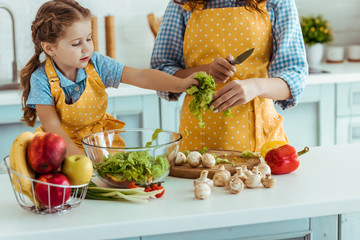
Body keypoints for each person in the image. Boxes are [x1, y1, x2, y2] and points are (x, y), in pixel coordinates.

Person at [20, 0, 198, 157]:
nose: (87, 48)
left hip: (101, 143)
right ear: (49, 48)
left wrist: (180, 84)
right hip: (61, 148)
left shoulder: (97, 64)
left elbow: (139, 75)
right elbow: (53, 128)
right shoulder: (40, 79)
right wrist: (81, 160)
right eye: (76, 43)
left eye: (89, 39)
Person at [151, 0, 308, 152]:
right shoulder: (183, 3)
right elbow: (160, 72)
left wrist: (255, 86)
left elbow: (295, 76)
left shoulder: (278, 2)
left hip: (261, 142)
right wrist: (205, 72)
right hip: (198, 145)